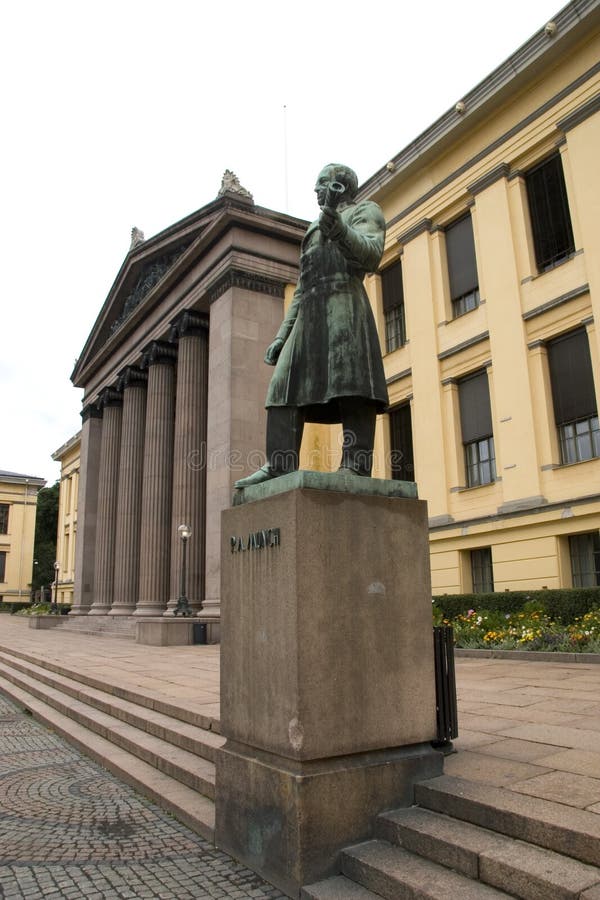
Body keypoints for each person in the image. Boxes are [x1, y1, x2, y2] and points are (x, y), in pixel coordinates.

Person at [234, 163, 389, 489]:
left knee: (351, 385)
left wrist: (337, 227)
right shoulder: (312, 230)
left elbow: (371, 255)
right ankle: (279, 465)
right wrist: (282, 335)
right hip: (310, 315)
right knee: (281, 387)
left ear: (340, 186)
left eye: (322, 183)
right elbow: (302, 289)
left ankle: (356, 465)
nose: (316, 190)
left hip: (345, 303)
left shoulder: (365, 210)